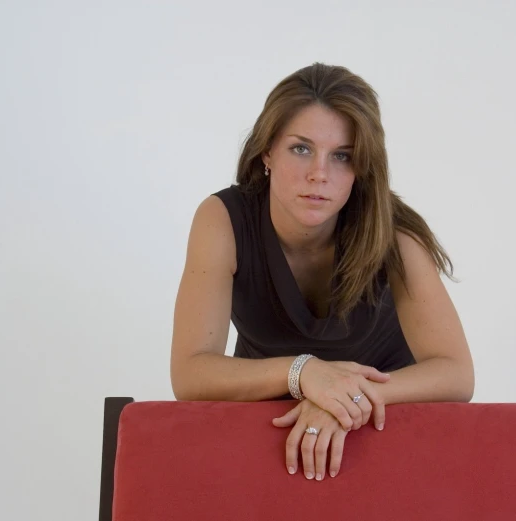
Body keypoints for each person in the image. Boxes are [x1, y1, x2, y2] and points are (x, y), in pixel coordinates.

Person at [170, 63, 474, 482]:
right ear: (267, 151)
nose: (319, 174)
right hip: (267, 423)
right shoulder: (222, 219)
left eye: (342, 156)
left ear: (361, 167)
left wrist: (342, 398)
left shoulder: (396, 233)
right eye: (301, 148)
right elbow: (190, 374)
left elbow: (456, 373)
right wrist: (305, 373)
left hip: (386, 424)